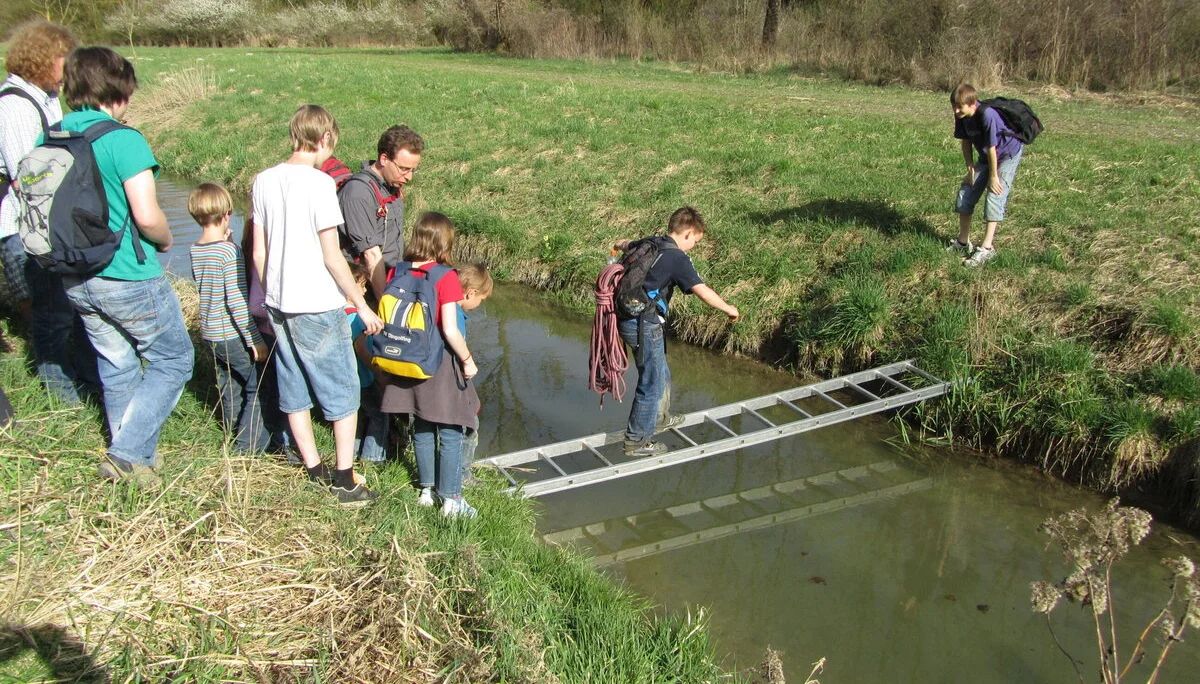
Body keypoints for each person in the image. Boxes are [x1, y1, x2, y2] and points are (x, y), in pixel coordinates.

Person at [57, 47, 193, 485]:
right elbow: (148, 217)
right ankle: (128, 453)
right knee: (174, 359)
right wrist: (167, 240)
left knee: (117, 364)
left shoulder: (53, 135)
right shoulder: (123, 140)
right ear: (118, 91)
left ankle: (134, 459)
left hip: (74, 274)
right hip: (125, 274)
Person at [250, 104, 383, 507]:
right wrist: (361, 305)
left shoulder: (263, 180)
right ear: (325, 137)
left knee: (293, 384)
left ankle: (313, 470)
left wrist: (272, 294)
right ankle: (345, 481)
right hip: (317, 303)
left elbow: (259, 252)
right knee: (344, 392)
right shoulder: (321, 184)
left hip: (278, 303)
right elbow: (332, 256)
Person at [0, 20, 98, 403]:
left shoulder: (46, 98)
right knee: (50, 312)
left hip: (52, 221)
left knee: (68, 307)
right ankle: (60, 392)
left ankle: (82, 377)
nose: (69, 68)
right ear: (42, 59)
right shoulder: (14, 105)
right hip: (25, 225)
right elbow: (29, 175)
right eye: (64, 59)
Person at [611, 207, 739, 457]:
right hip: (644, 325)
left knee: (661, 371)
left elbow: (625, 244)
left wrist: (617, 245)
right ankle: (637, 441)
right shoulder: (677, 257)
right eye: (695, 242)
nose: (694, 247)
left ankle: (658, 418)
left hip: (629, 319)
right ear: (688, 233)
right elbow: (702, 291)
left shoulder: (651, 243)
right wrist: (729, 309)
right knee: (652, 381)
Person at [378, 212, 480, 518]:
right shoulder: (445, 277)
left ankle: (426, 491)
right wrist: (468, 360)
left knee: (421, 424)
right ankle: (451, 500)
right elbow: (449, 328)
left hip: (404, 359)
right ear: (445, 242)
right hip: (436, 363)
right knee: (450, 429)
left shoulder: (397, 270)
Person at [189, 182, 269, 454]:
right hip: (231, 334)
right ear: (226, 214)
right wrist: (255, 340)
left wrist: (229, 243)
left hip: (210, 333)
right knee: (257, 385)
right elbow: (236, 301)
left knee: (229, 385)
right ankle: (247, 448)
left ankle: (232, 432)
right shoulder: (228, 252)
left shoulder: (196, 249)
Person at [338, 125, 423, 299]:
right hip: (363, 290)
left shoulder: (391, 187)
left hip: (390, 280)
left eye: (413, 170)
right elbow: (371, 255)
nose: (409, 177)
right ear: (384, 159)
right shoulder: (358, 193)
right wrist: (386, 305)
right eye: (404, 169)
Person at [948, 83, 1025, 268]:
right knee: (965, 193)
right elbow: (965, 142)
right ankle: (963, 243)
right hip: (985, 156)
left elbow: (992, 148)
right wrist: (970, 168)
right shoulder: (962, 116)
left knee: (994, 195)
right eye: (954, 106)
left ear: (973, 103)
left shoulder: (988, 115)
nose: (956, 110)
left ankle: (987, 248)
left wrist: (993, 176)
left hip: (1005, 155)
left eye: (960, 106)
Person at [344, 260, 387, 464]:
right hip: (364, 379)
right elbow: (361, 349)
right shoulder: (358, 319)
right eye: (361, 286)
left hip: (345, 379)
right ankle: (372, 457)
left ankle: (351, 453)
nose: (364, 291)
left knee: (355, 417)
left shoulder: (335, 315)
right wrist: (378, 373)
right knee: (378, 414)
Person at [454, 262, 493, 485]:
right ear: (471, 293)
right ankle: (462, 475)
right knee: (470, 425)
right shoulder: (454, 316)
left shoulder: (444, 306)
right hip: (452, 379)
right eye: (481, 299)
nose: (479, 304)